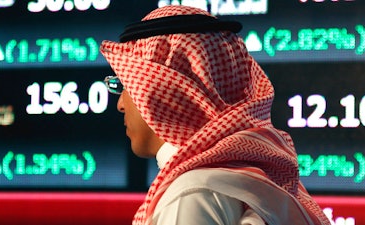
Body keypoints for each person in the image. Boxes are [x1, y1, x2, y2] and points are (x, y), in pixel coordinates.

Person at [101, 5, 330, 225]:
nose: (121, 104)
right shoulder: (258, 179)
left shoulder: (194, 193)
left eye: (125, 85)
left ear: (160, 90)